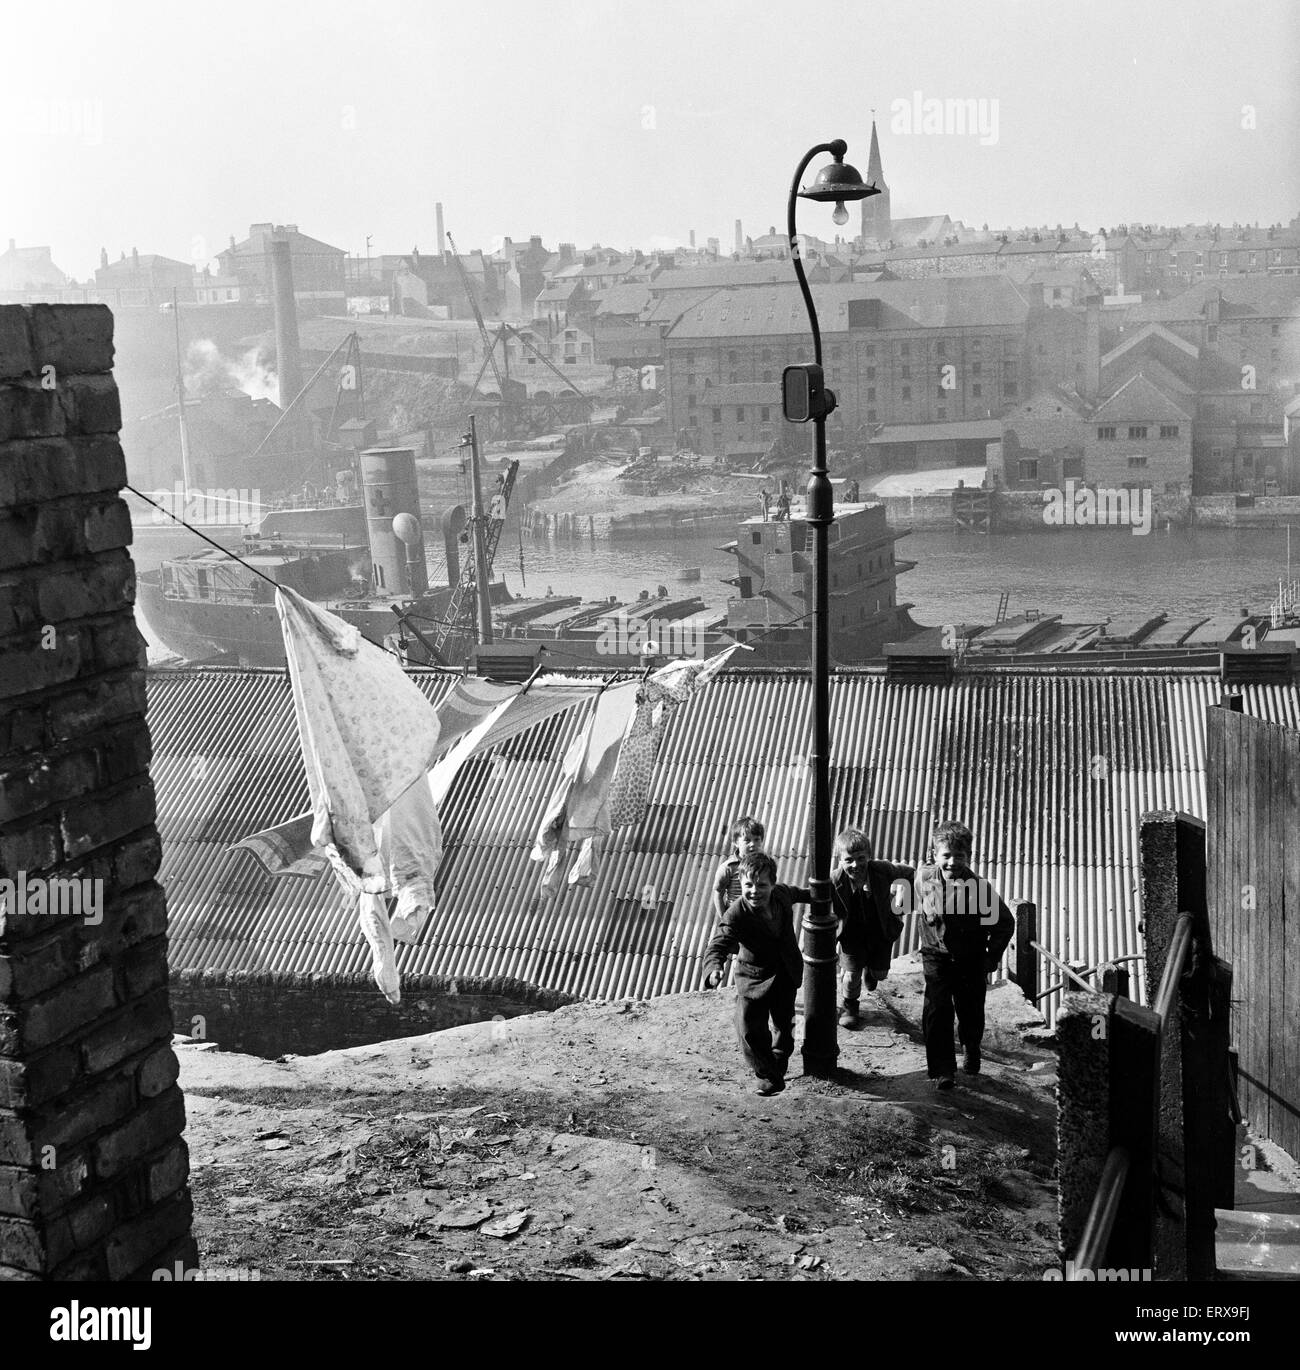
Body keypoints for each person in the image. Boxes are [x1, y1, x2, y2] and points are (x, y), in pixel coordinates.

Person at [915, 820, 1014, 1090]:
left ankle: (971, 1046)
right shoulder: (923, 878)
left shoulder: (980, 890)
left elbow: (1005, 924)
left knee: (969, 1011)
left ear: (969, 857)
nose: (952, 862)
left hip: (970, 960)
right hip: (936, 956)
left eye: (959, 856)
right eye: (946, 855)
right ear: (935, 855)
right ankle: (942, 1070)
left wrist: (989, 959)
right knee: (936, 1010)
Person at [703, 852, 810, 1096]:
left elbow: (803, 893)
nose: (754, 891)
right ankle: (766, 1073)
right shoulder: (736, 913)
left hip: (784, 972)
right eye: (748, 885)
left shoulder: (782, 895)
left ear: (772, 884)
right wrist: (714, 967)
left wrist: (825, 896)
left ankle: (779, 1060)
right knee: (749, 1029)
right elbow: (718, 944)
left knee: (785, 1024)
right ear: (741, 883)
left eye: (761, 885)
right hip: (753, 979)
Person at [830, 828, 915, 1028]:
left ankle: (871, 969)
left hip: (879, 930)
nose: (855, 865)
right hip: (851, 933)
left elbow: (910, 874)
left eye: (861, 858)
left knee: (879, 975)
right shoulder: (834, 880)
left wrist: (900, 906)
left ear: (869, 856)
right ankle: (850, 1006)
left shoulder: (882, 870)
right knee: (851, 976)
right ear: (840, 860)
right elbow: (818, 901)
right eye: (848, 860)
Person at [711, 816, 766, 919]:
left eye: (756, 839)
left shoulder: (765, 865)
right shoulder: (728, 867)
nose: (753, 844)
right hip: (737, 917)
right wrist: (725, 919)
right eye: (747, 840)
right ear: (736, 842)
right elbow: (718, 893)